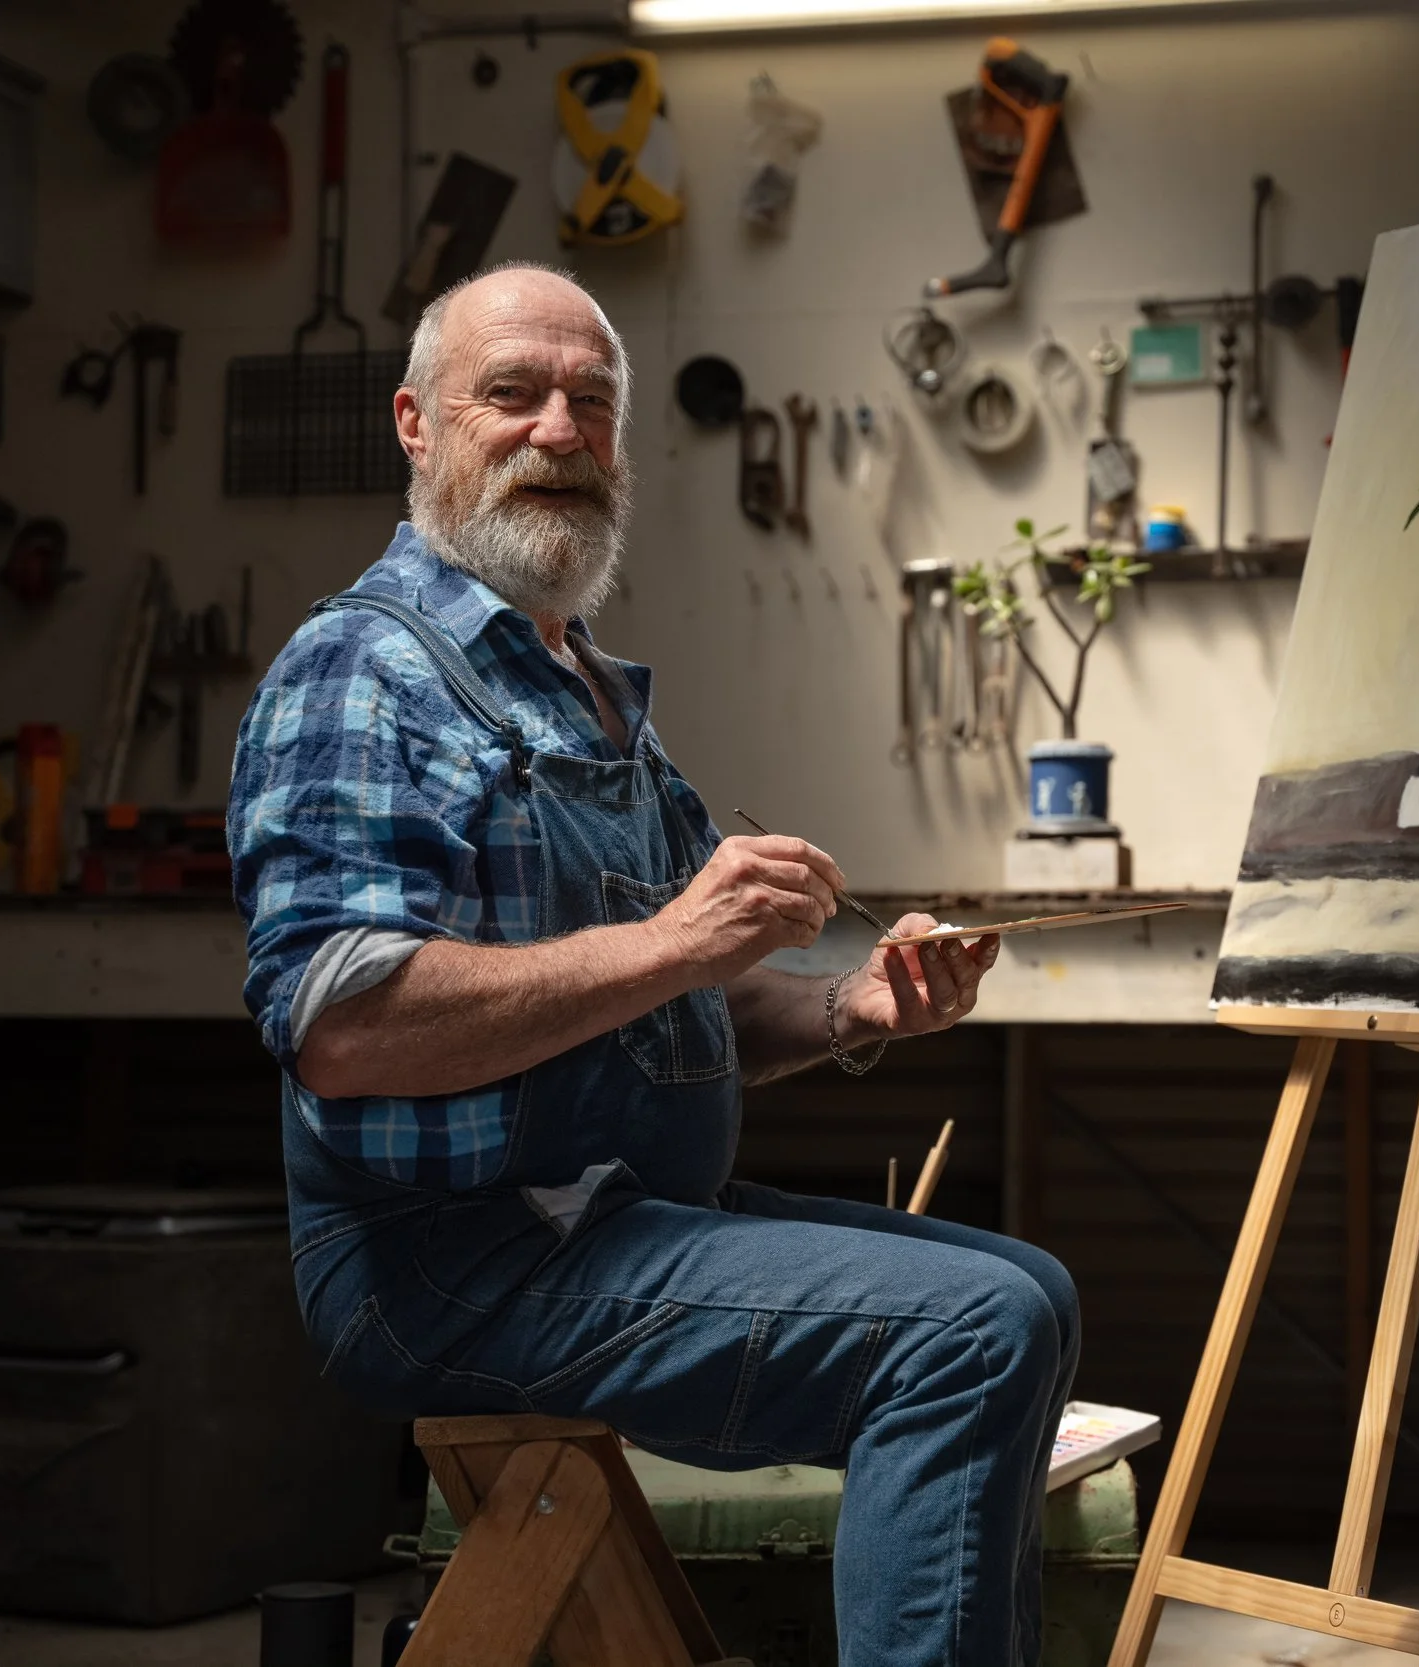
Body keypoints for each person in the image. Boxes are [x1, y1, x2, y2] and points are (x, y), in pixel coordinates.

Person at [228, 262, 1079, 1667]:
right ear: (417, 424)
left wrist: (848, 1005)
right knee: (970, 1331)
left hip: (606, 1218)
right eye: (513, 394)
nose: (559, 430)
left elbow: (679, 1004)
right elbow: (346, 1030)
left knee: (1028, 1291)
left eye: (592, 401)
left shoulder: (586, 689)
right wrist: (678, 934)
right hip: (445, 1260)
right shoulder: (359, 673)